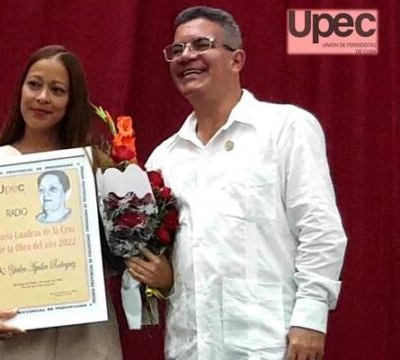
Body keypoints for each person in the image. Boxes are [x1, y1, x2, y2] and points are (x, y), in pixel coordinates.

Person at [126, 6, 348, 360]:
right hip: (190, 346)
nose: (187, 57)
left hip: (271, 343)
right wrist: (164, 279)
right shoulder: (163, 158)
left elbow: (320, 230)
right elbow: (172, 263)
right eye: (177, 50)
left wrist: (310, 319)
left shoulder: (286, 128)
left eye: (201, 44)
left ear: (237, 59)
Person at [0, 45, 123, 360]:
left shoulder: (92, 164)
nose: (42, 97)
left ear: (73, 100)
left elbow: (125, 244)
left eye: (57, 90)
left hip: (84, 334)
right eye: (34, 84)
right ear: (21, 90)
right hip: (12, 332)